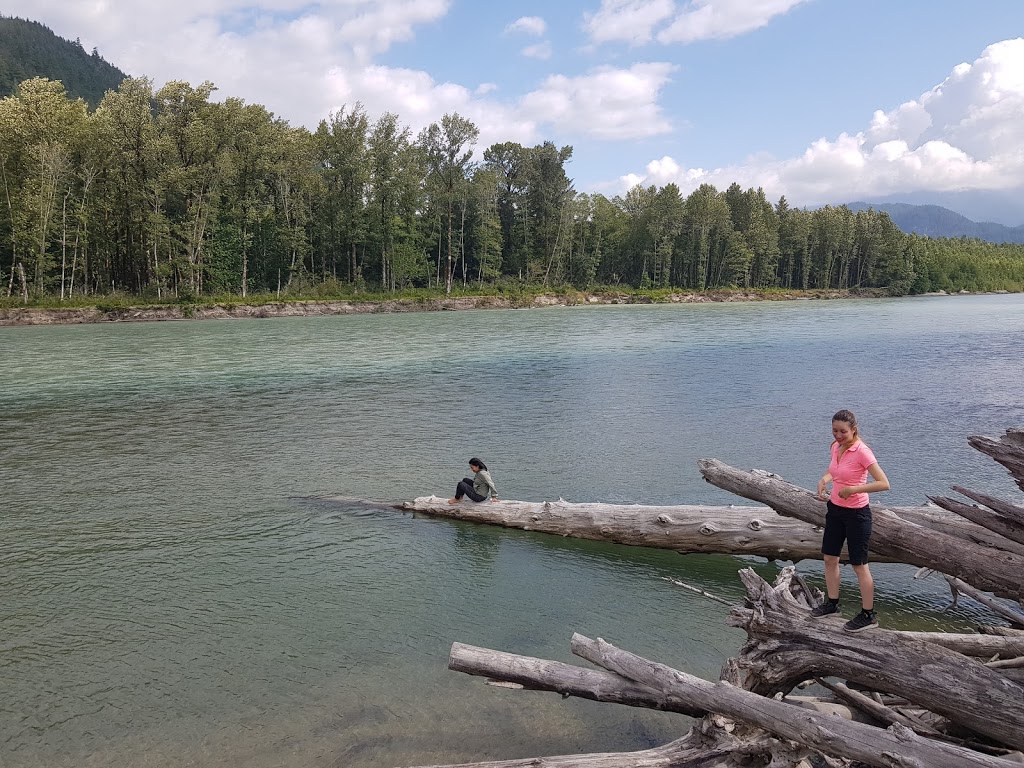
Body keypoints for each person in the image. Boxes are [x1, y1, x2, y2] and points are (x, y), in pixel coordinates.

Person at [811, 409, 890, 632]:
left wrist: (854, 489)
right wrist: (824, 479)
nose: (838, 435)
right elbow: (835, 470)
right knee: (829, 558)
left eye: (843, 431)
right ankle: (832, 604)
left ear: (853, 430)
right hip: (835, 510)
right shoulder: (835, 446)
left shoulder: (863, 452)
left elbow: (884, 483)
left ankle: (868, 615)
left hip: (857, 514)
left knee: (859, 565)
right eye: (834, 430)